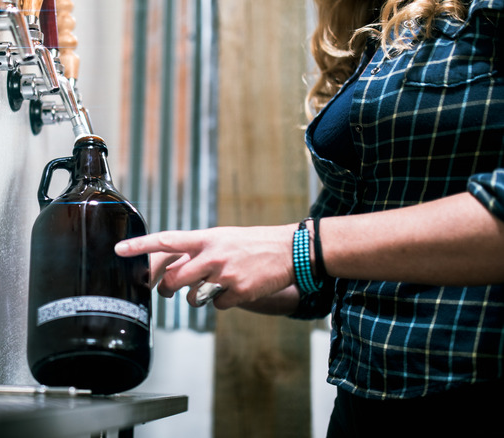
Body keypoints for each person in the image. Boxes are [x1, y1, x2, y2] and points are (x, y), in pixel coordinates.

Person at [115, 0, 504, 436]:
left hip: (475, 388)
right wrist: (204, 261)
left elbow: (317, 248)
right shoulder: (380, 27)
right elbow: (323, 275)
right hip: (366, 397)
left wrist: (298, 246)